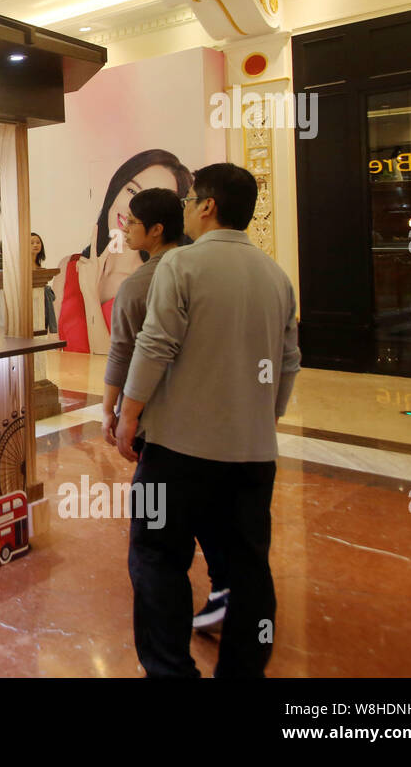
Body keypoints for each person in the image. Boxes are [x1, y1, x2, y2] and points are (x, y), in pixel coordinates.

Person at [116, 164, 299, 678]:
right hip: (252, 457)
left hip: (175, 453)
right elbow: (288, 362)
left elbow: (154, 345)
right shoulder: (276, 275)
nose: (188, 208)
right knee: (247, 571)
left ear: (208, 206)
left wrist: (128, 413)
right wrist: (266, 417)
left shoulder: (182, 266)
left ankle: (171, 670)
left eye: (191, 197)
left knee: (154, 556)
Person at [100, 189, 228, 633]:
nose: (126, 228)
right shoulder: (215, 272)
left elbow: (127, 353)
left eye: (132, 222)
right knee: (213, 514)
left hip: (162, 426)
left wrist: (113, 411)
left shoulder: (140, 284)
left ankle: (166, 646)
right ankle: (225, 592)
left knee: (155, 540)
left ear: (155, 229)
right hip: (218, 421)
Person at [51, 150, 193, 354]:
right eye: (132, 192)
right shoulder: (69, 267)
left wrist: (90, 294)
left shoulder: (154, 282)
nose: (131, 209)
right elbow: (51, 352)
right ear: (116, 188)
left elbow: (113, 363)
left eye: (150, 203)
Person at [30, 231, 56, 334]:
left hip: (40, 299)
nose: (36, 245)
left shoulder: (38, 264)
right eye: (31, 243)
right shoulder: (23, 263)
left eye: (38, 242)